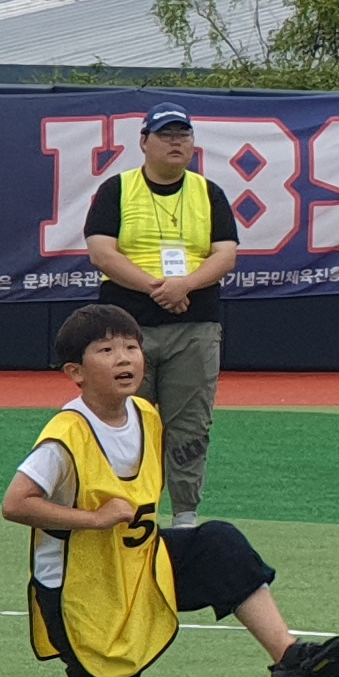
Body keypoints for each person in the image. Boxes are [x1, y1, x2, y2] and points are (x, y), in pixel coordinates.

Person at [4, 302, 339, 677]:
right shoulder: (64, 436)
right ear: (75, 372)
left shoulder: (146, 414)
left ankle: (289, 657)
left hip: (140, 563)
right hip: (78, 591)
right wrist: (93, 519)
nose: (124, 357)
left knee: (218, 544)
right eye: (105, 350)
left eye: (130, 346)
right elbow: (16, 503)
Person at [81, 104, 237, 526]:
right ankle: (126, 509)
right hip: (127, 328)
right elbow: (101, 252)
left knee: (190, 425)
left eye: (183, 135)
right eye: (165, 135)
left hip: (194, 325)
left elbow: (225, 254)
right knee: (123, 418)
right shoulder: (117, 189)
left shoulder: (209, 193)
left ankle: (185, 517)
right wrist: (159, 288)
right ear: (144, 142)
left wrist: (185, 285)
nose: (175, 142)